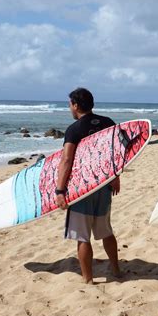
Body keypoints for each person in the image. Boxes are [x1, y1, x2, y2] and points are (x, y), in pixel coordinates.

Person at [55, 87, 121, 284]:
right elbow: (116, 152)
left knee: (83, 237)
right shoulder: (107, 123)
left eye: (70, 105)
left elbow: (66, 160)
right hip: (104, 186)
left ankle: (88, 279)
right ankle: (117, 270)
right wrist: (116, 176)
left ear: (76, 105)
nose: (70, 108)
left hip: (82, 190)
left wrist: (60, 190)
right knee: (106, 231)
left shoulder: (74, 130)